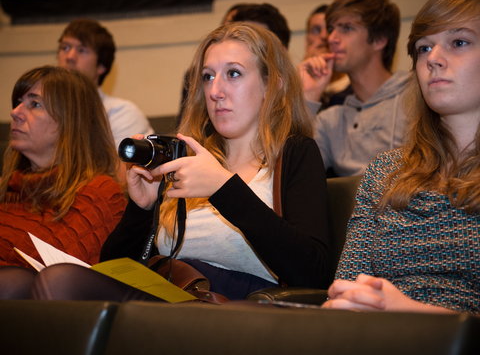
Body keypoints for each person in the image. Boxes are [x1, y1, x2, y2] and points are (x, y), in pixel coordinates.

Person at [32, 22, 330, 301]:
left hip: (242, 308)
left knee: (61, 282)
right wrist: (142, 209)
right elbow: (114, 267)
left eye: (234, 73)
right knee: (51, 281)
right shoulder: (185, 156)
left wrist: (225, 189)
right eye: (208, 76)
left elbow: (314, 272)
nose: (215, 91)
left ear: (272, 84)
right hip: (172, 299)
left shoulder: (295, 153)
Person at [323, 0, 480, 314]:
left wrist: (407, 312)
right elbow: (346, 285)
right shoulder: (385, 169)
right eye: (423, 48)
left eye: (459, 42)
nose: (433, 58)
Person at [0, 66, 127, 296]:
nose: (15, 112)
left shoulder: (98, 195)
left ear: (70, 121)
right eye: (18, 102)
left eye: (34, 104)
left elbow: (62, 284)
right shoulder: (7, 189)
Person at [299, 0, 409, 177]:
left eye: (346, 28)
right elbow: (294, 173)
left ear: (380, 39)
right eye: (332, 28)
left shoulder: (417, 99)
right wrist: (307, 97)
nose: (331, 38)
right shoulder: (331, 120)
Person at [57, 19, 153, 148]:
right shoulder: (40, 112)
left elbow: (118, 168)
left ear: (101, 66)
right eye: (65, 47)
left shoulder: (121, 114)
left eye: (81, 50)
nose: (69, 57)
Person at [301, 4, 351, 110]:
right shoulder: (290, 85)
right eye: (316, 30)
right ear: (306, 40)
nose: (324, 36)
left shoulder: (356, 87)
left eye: (329, 29)